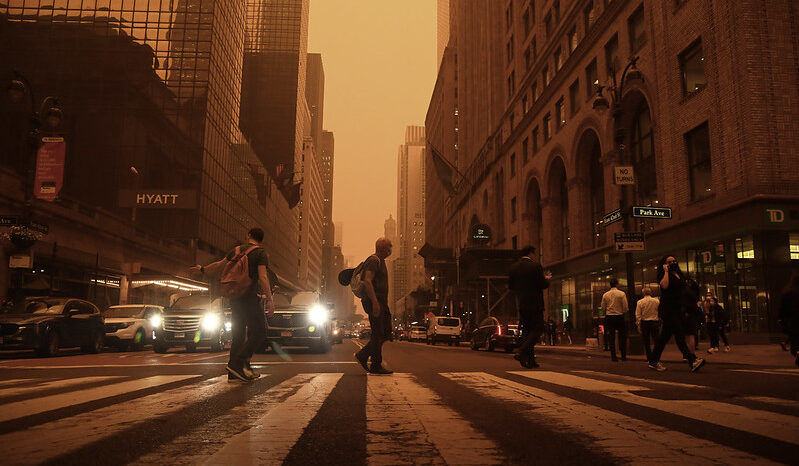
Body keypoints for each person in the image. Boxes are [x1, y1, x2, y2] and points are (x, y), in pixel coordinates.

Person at [191, 227, 274, 382]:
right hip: (249, 298)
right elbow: (263, 277)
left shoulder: (236, 250)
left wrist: (202, 269)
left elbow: (219, 265)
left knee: (239, 334)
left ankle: (234, 372)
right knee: (260, 331)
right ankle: (239, 362)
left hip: (234, 297)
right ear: (262, 239)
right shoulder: (260, 253)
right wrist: (270, 299)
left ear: (248, 235)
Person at [648, 256, 705, 372]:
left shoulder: (679, 274)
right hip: (668, 309)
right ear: (664, 264)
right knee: (679, 334)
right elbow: (664, 285)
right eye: (669, 262)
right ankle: (692, 360)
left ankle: (653, 360)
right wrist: (666, 271)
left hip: (677, 309)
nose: (673, 263)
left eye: (674, 261)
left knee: (664, 338)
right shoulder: (664, 274)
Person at [354, 237, 394, 374]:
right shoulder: (373, 260)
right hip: (375, 301)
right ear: (383, 248)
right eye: (389, 247)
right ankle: (376, 364)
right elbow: (367, 281)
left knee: (386, 332)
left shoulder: (380, 261)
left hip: (381, 301)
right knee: (378, 333)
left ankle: (364, 355)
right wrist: (375, 303)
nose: (391, 250)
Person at [508, 245, 551, 368]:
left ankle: (531, 361)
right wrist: (547, 279)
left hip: (522, 304)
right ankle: (521, 352)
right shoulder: (535, 266)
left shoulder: (514, 268)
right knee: (537, 329)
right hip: (535, 303)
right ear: (531, 253)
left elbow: (511, 287)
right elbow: (542, 284)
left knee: (527, 332)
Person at [601, 278, 628, 362]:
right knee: (622, 337)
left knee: (611, 337)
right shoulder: (621, 294)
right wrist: (623, 311)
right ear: (617, 284)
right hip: (619, 316)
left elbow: (603, 307)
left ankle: (613, 357)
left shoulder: (605, 295)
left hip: (610, 317)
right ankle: (623, 356)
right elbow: (625, 306)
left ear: (610, 285)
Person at [779, 273, 799, 367]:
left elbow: (783, 309)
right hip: (794, 318)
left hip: (793, 319)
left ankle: (797, 352)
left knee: (794, 336)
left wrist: (782, 321)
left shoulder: (788, 291)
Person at [635, 286, 660, 362]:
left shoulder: (640, 302)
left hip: (645, 323)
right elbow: (659, 311)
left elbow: (638, 315)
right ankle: (656, 357)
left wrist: (638, 324)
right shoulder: (656, 301)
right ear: (651, 293)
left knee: (647, 342)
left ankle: (649, 358)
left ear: (643, 293)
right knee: (656, 341)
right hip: (655, 322)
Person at [682, 278, 703, 351]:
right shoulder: (694, 296)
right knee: (692, 335)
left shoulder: (684, 293)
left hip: (686, 315)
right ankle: (692, 354)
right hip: (692, 315)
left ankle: (686, 354)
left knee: (686, 336)